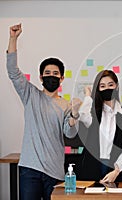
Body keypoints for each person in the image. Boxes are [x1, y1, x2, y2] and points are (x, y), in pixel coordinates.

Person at [6, 24, 81, 200]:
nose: (51, 76)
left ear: (62, 78)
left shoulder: (65, 105)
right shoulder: (30, 95)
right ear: (40, 77)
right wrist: (13, 38)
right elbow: (13, 72)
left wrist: (75, 114)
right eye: (47, 73)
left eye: (55, 73)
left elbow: (70, 132)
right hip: (30, 169)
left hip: (55, 171)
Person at [78, 70, 122, 183]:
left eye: (111, 85)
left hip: (115, 166)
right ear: (98, 89)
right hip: (92, 167)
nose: (107, 89)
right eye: (102, 86)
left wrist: (117, 170)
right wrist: (88, 96)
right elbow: (82, 115)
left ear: (117, 86)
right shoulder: (93, 113)